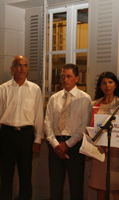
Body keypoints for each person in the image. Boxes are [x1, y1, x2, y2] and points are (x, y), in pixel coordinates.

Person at [0, 55, 44, 200]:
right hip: (7, 134)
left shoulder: (35, 89)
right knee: (6, 175)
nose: (22, 69)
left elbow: (39, 115)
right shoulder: (2, 89)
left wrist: (38, 139)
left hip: (27, 135)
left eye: (25, 65)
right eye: (19, 65)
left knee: (26, 174)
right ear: (12, 69)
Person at [44, 63, 91, 200]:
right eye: (63, 76)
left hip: (75, 146)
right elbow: (47, 123)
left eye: (69, 76)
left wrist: (68, 144)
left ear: (76, 78)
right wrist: (55, 144)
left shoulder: (85, 99)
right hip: (55, 146)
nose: (65, 79)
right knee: (55, 186)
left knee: (76, 187)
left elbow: (84, 125)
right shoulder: (54, 98)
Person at [89, 71, 119, 200]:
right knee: (100, 186)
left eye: (110, 82)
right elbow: (91, 127)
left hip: (116, 152)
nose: (107, 85)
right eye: (104, 83)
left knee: (115, 187)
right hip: (99, 152)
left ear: (115, 85)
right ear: (100, 86)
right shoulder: (94, 104)